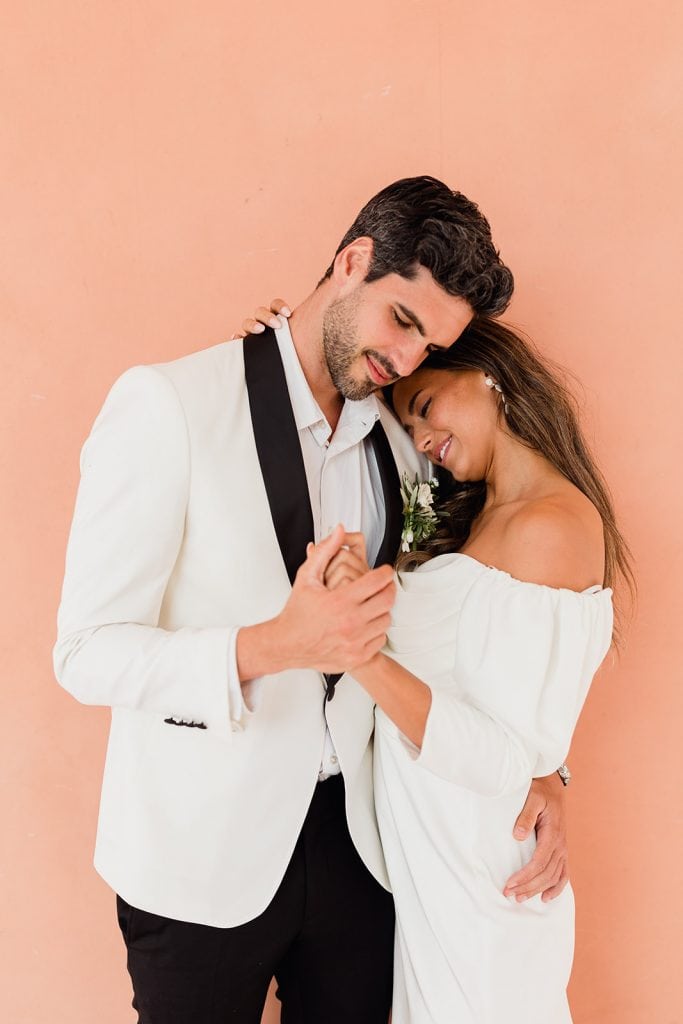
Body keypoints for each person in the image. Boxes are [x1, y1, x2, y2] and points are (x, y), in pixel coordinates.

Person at [54, 176, 568, 1024]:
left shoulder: (409, 444)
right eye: (401, 320)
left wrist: (546, 768)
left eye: (426, 347)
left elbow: (473, 612)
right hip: (200, 862)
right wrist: (275, 644)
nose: (405, 361)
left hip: (362, 850)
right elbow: (83, 652)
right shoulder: (169, 405)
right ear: (353, 260)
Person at [287, 316, 634, 1023]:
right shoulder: (480, 516)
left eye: (424, 407)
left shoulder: (550, 526)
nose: (420, 441)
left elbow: (508, 751)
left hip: (478, 879)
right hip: (430, 863)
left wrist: (357, 648)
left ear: (488, 376)